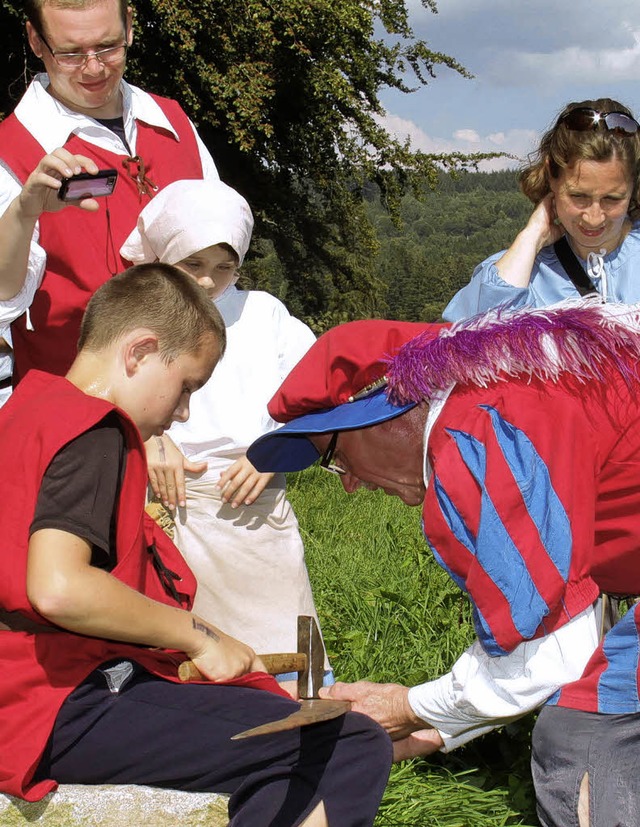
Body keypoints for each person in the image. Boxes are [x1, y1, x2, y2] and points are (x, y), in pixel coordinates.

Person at [0, 263, 392, 826]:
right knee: (346, 742)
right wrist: (198, 635)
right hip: (47, 703)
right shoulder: (96, 429)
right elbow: (60, 589)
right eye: (186, 386)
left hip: (37, 693)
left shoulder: (25, 408)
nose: (182, 412)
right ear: (139, 351)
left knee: (292, 721)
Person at [246, 302, 640, 827]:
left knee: (583, 734)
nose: (348, 482)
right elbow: (574, 614)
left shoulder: (473, 440)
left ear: (383, 415)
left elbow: (557, 653)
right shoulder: (507, 389)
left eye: (334, 457)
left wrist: (411, 707)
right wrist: (436, 727)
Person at [120, 179, 330, 688]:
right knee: (185, 643)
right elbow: (102, 393)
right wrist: (148, 437)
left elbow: (318, 395)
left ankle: (302, 735)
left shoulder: (264, 315)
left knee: (280, 630)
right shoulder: (135, 315)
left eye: (224, 267)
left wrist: (272, 454)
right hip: (168, 502)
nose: (209, 282)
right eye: (192, 265)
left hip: (254, 505)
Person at [0, 0, 219, 395]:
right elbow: (1, 296)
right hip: (77, 414)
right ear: (35, 39)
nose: (94, 68)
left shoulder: (174, 122)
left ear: (130, 26)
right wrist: (22, 213)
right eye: (70, 53)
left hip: (191, 408)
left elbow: (220, 259)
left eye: (108, 47)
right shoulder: (10, 151)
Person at [443, 98, 640, 322]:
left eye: (612, 199)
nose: (594, 218)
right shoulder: (522, 271)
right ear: (551, 177)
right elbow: (474, 339)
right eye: (578, 196)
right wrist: (531, 237)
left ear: (633, 187)